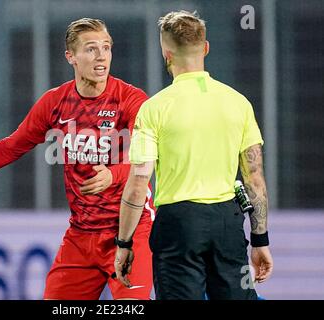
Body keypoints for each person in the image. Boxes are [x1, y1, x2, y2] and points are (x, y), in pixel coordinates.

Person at [0, 18, 155, 300]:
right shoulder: (55, 102)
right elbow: (12, 146)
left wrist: (113, 175)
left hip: (129, 230)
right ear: (70, 57)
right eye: (91, 49)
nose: (101, 56)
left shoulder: (131, 100)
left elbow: (144, 162)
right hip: (81, 235)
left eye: (106, 48)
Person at [114, 10, 273, 300]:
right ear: (206, 48)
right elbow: (255, 179)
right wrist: (260, 239)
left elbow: (138, 184)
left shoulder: (154, 108)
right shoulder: (238, 103)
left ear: (166, 53)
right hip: (227, 223)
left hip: (178, 224)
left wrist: (124, 243)